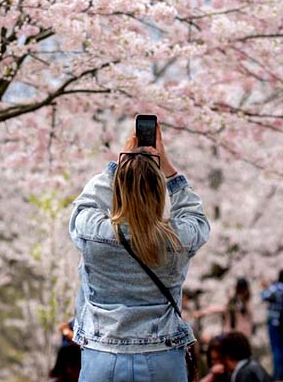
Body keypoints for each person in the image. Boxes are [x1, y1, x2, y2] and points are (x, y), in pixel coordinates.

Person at [69, 121, 210, 381]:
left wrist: (118, 165)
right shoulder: (177, 239)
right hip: (162, 358)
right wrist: (167, 168)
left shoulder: (94, 233)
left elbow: (85, 205)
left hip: (103, 357)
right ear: (160, 193)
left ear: (118, 190)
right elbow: (196, 217)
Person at [260, 270, 283, 381]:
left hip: (274, 322)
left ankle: (277, 375)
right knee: (282, 349)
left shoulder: (277, 287)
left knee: (276, 349)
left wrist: (264, 287)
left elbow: (264, 296)